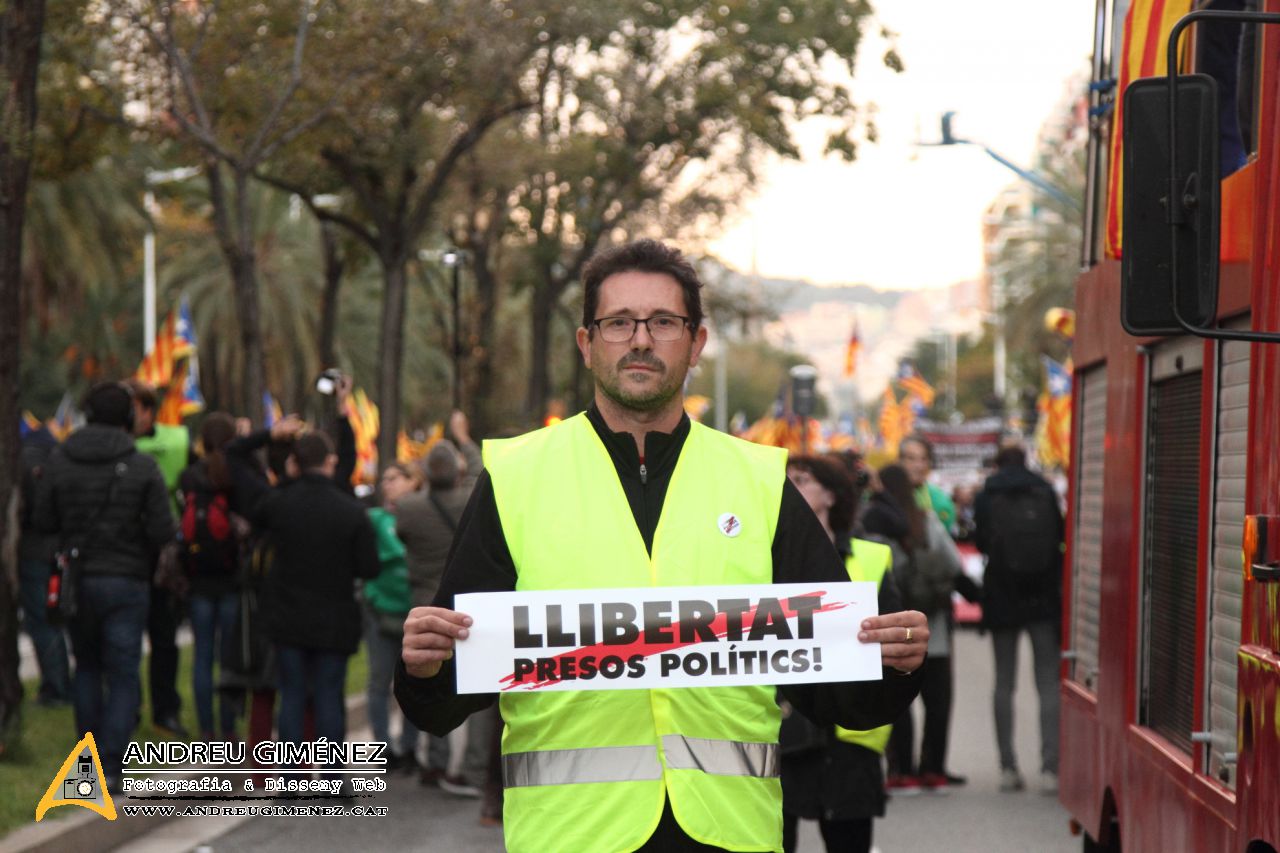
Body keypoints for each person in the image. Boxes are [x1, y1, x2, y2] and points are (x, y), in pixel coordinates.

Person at [395, 239, 928, 852]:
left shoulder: (758, 483)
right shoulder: (517, 478)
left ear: (696, 343)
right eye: (619, 323)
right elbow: (449, 694)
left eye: (663, 322)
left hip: (730, 834)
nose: (641, 339)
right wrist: (425, 667)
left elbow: (840, 693)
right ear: (586, 343)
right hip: (571, 838)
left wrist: (894, 665)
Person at [34, 382, 177, 790]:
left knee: (87, 667)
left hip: (78, 580)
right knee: (123, 671)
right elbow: (162, 530)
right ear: (130, 418)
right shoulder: (142, 466)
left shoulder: (61, 460)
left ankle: (89, 760)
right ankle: (113, 764)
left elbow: (43, 520)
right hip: (127, 581)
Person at [780, 454, 902, 853]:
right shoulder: (766, 556)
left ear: (830, 495)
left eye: (801, 480)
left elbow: (892, 638)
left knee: (849, 840)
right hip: (786, 727)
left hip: (851, 731)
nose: (790, 488)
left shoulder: (870, 556)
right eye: (786, 480)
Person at [248, 431, 380, 789]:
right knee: (328, 696)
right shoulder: (351, 510)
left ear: (294, 463)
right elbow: (369, 567)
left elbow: (254, 512)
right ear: (330, 461)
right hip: (334, 617)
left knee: (291, 695)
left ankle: (291, 780)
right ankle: (334, 779)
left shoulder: (279, 504)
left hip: (287, 616)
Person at [862, 463, 963, 796]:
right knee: (938, 700)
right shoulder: (924, 517)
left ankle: (901, 770)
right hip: (932, 622)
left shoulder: (876, 520)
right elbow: (953, 563)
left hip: (893, 624)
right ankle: (933, 769)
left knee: (897, 700)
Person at [973, 444, 1064, 795]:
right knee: (1047, 682)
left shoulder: (988, 494)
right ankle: (1050, 768)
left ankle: (1008, 767)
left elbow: (981, 542)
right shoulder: (1044, 490)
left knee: (1004, 682)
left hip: (1002, 596)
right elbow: (1059, 537)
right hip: (1042, 597)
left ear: (997, 464)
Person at [126, 379, 191, 737]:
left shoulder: (177, 440)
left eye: (132, 407)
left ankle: (166, 711)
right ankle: (129, 710)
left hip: (164, 555)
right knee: (126, 641)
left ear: (148, 410)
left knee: (164, 639)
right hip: (127, 554)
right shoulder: (113, 443)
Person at [177, 412, 244, 742]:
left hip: (198, 579)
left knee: (202, 656)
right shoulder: (234, 476)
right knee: (228, 658)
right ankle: (229, 728)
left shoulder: (189, 477)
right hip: (232, 579)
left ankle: (206, 730)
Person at [362, 462, 422, 772]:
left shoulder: (423, 515)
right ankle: (383, 749)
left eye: (395, 478)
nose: (388, 484)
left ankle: (410, 747)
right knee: (379, 681)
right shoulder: (374, 519)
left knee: (413, 683)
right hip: (380, 610)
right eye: (384, 479)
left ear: (414, 482)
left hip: (413, 611)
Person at [17, 426, 71, 707]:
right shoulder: (62, 459)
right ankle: (63, 682)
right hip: (62, 549)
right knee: (59, 618)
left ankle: (55, 687)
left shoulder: (22, 461)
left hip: (33, 550)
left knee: (41, 620)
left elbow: (24, 509)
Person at [899, 435, 955, 533]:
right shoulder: (885, 493)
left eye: (923, 459)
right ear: (899, 461)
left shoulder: (940, 500)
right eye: (911, 458)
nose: (918, 465)